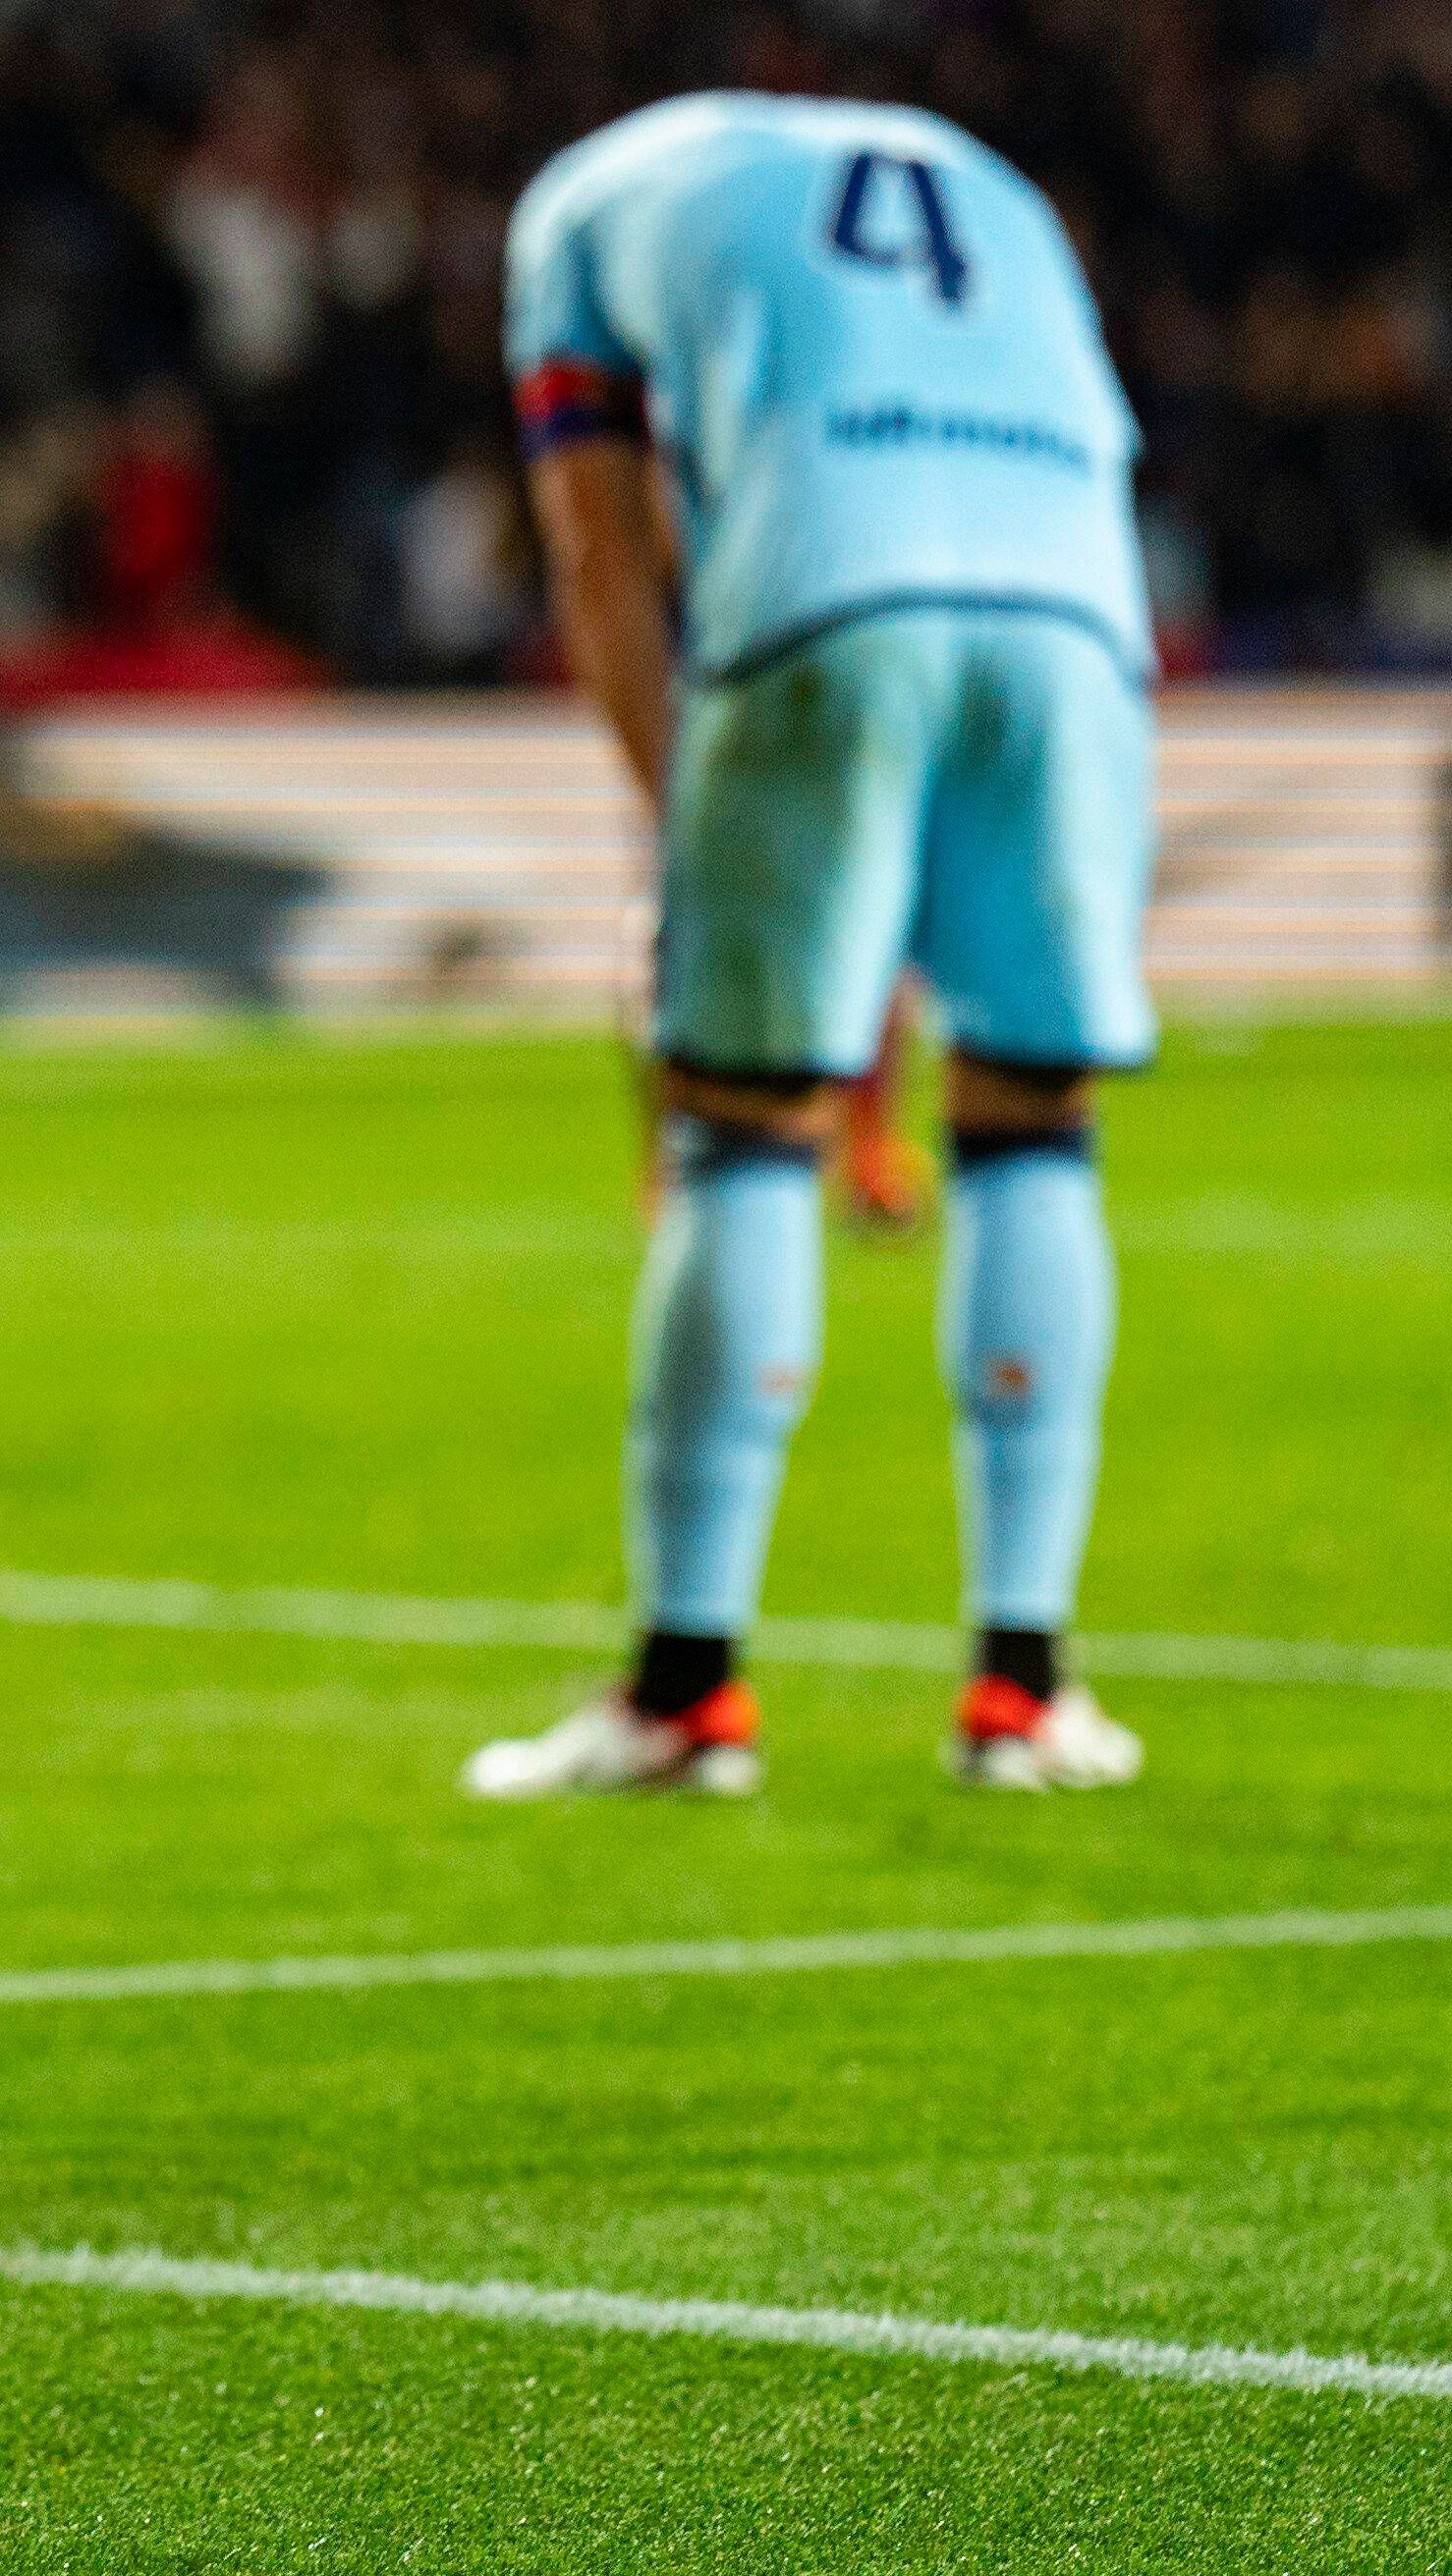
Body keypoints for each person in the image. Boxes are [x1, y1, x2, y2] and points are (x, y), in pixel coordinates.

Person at [472, 90, 1154, 1803]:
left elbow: (597, 551)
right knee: (1025, 1113)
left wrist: (680, 838)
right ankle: (1023, 1686)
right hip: (1081, 608)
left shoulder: (574, 205)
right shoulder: (983, 167)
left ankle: (681, 1691)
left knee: (741, 1130)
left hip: (826, 592)